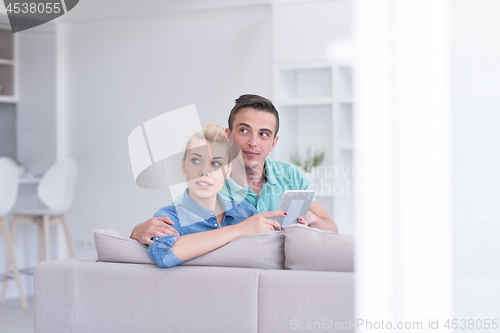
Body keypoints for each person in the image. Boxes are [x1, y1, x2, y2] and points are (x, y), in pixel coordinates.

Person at [131, 95, 338, 246]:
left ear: (274, 143)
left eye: (264, 134)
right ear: (229, 135)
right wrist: (137, 231)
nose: (253, 142)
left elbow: (332, 229)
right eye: (244, 130)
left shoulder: (291, 176)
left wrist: (314, 221)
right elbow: (177, 225)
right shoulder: (210, 181)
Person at [148, 124, 285, 268]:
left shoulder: (246, 212)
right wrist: (240, 230)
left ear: (227, 171)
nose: (205, 171)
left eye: (216, 163)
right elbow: (164, 253)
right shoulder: (169, 217)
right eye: (196, 160)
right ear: (183, 165)